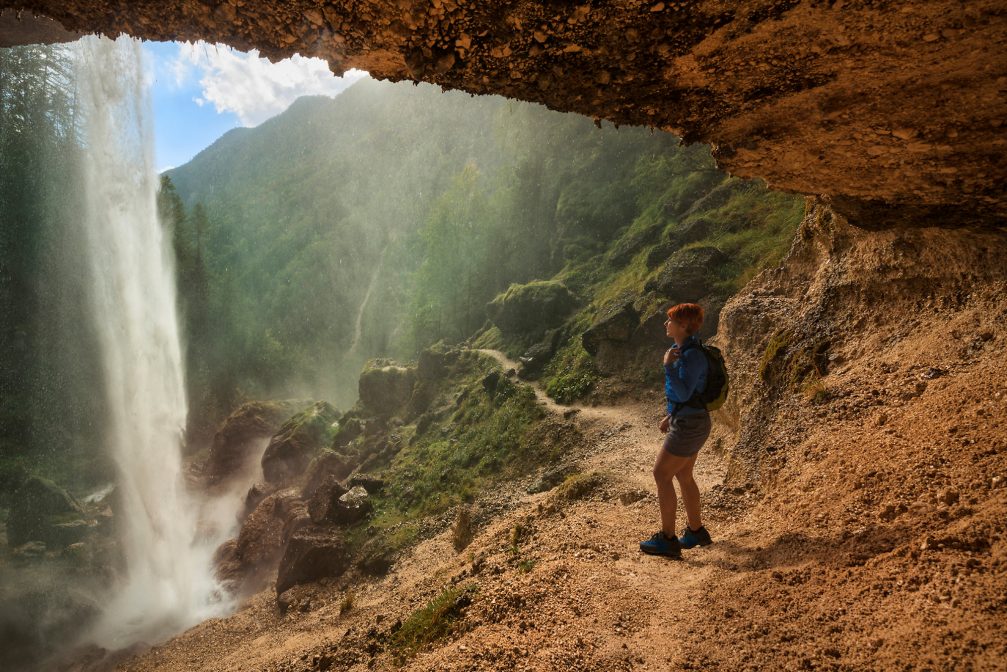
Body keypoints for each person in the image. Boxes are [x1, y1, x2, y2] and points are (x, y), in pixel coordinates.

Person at [639, 302, 714, 559]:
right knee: (684, 476)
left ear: (683, 326)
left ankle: (668, 540)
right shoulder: (686, 350)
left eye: (670, 320)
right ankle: (696, 531)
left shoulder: (690, 355)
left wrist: (667, 366)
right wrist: (671, 415)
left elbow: (682, 391)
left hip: (690, 426)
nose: (665, 324)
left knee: (661, 474)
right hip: (691, 420)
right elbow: (689, 395)